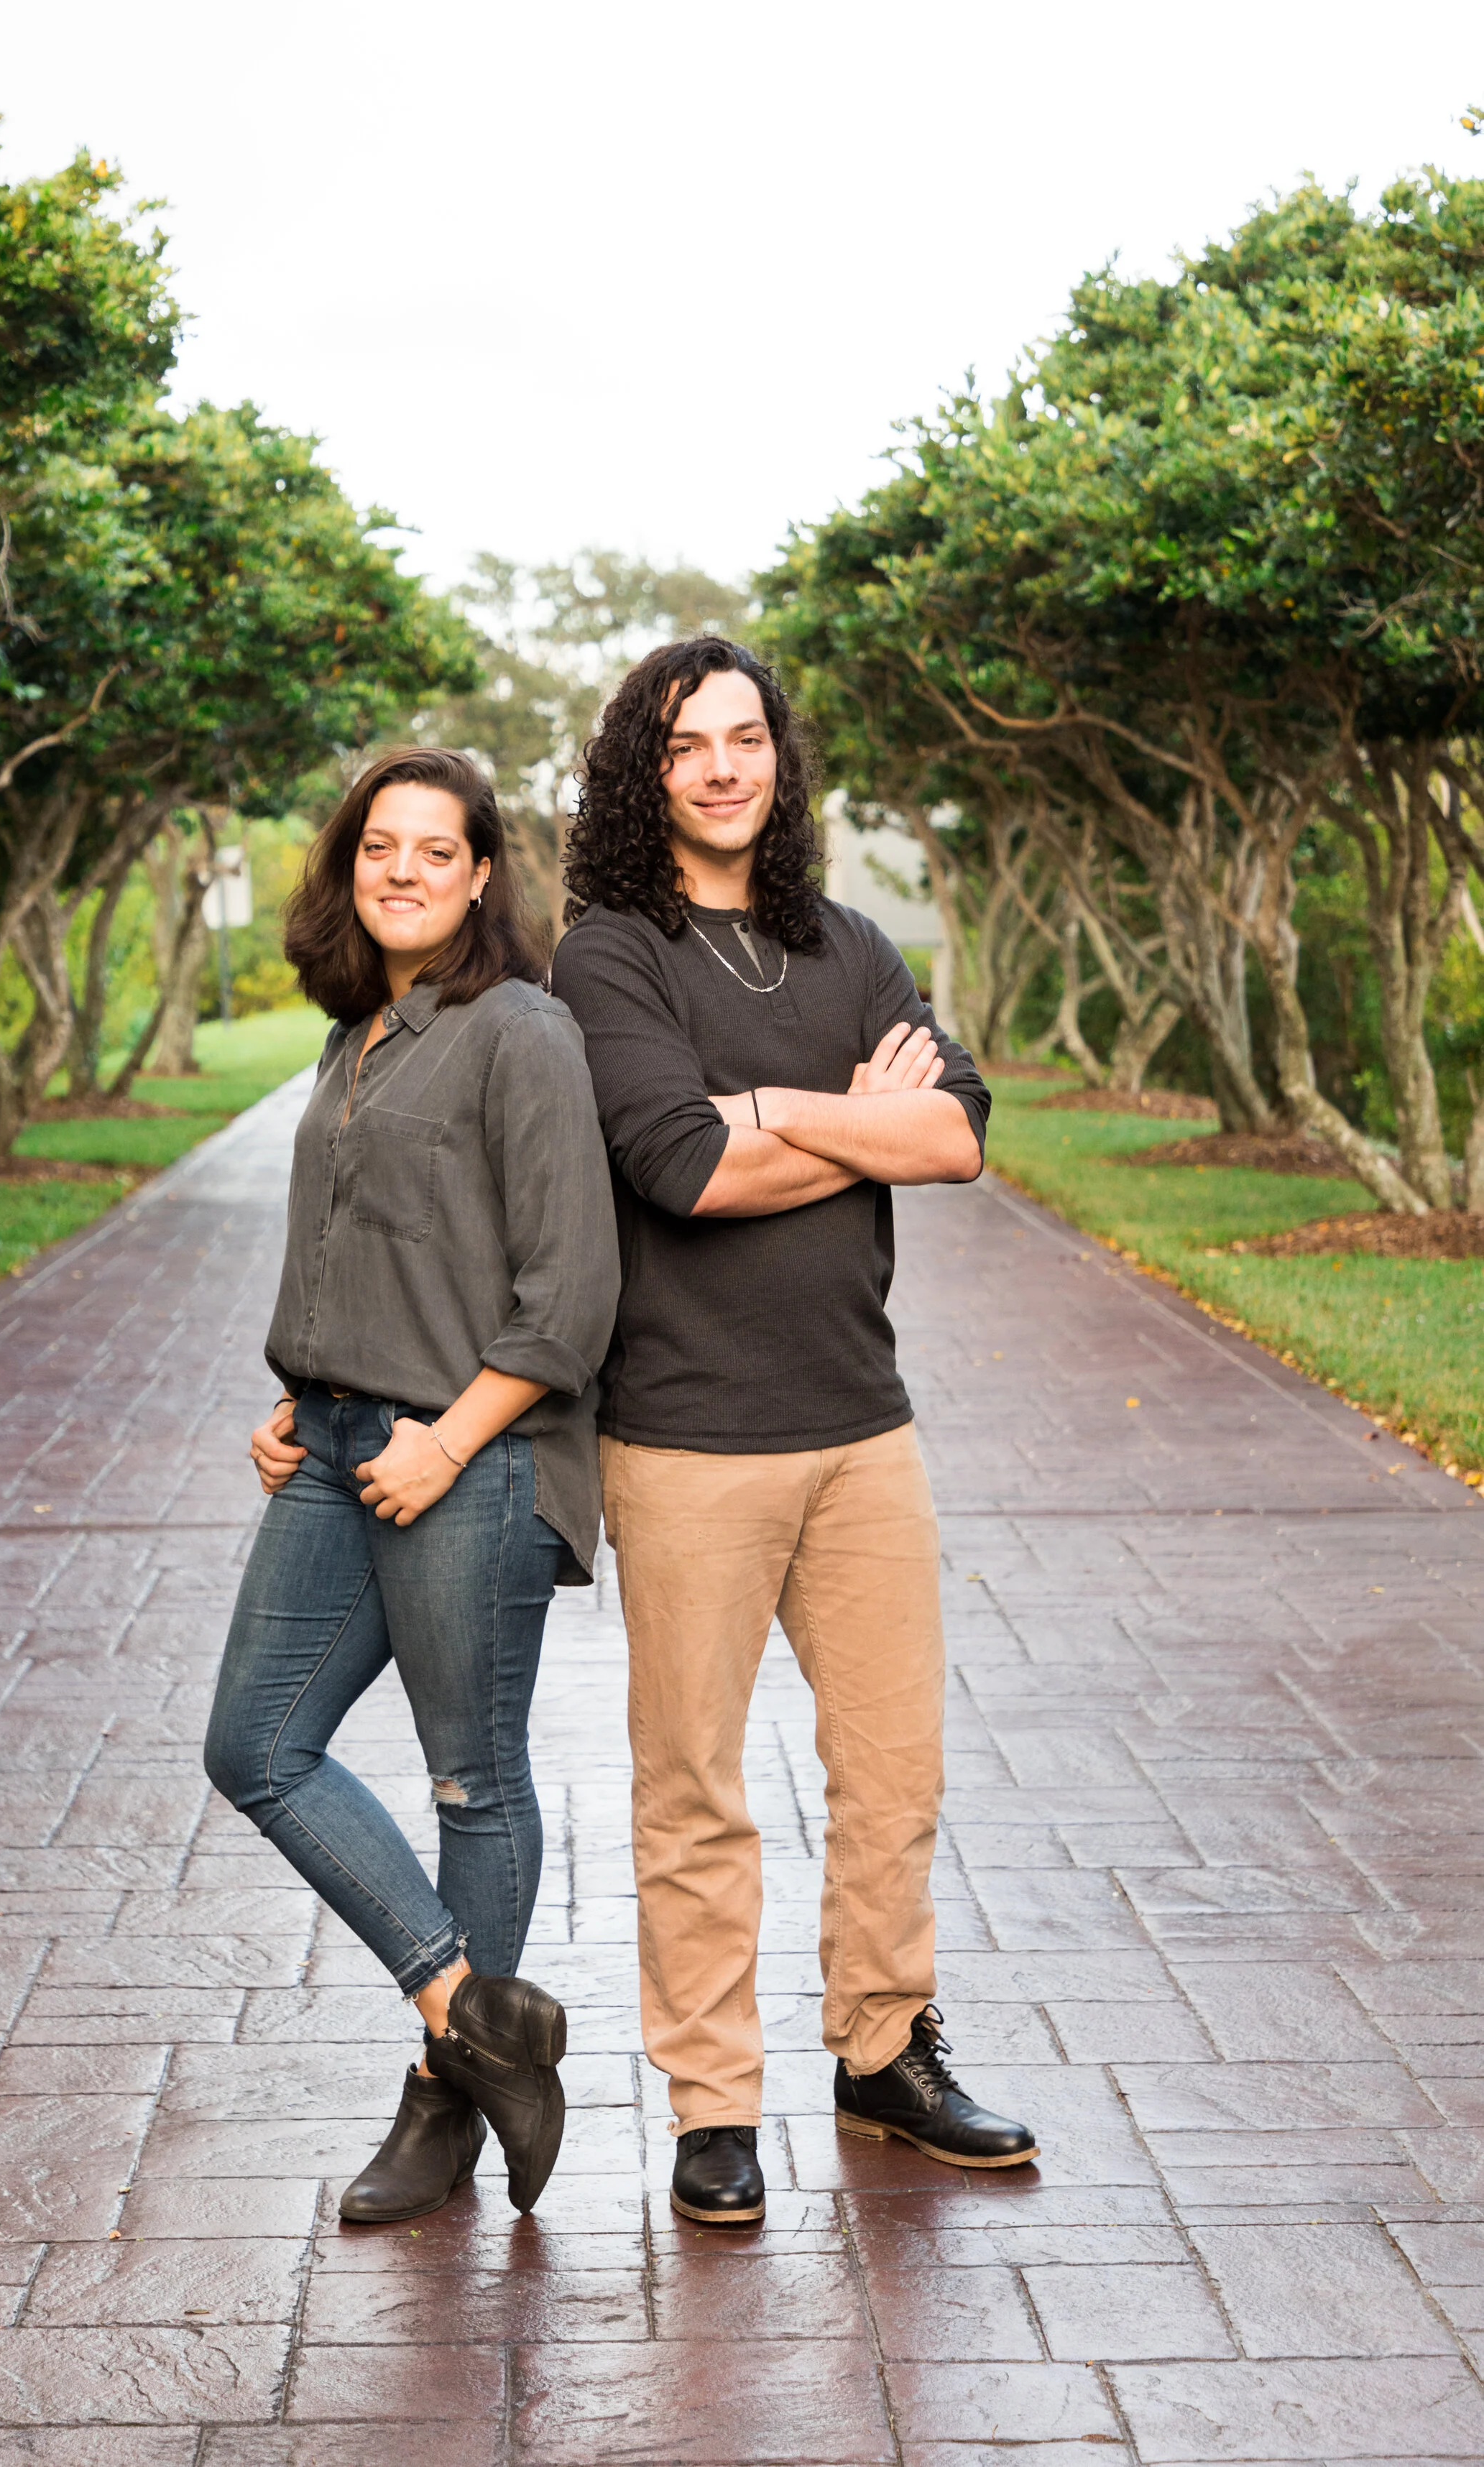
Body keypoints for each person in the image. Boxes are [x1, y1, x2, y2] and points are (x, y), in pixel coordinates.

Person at [550, 637, 1037, 2225]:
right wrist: (843, 1120)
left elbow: (957, 1138)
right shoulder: (607, 956)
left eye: (743, 739)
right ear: (646, 770)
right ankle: (710, 2107)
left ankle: (881, 2054)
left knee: (894, 1772)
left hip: (861, 1429)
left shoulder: (846, 943)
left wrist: (769, 1111)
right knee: (694, 1790)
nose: (719, 767)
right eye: (686, 744)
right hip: (686, 1440)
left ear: (778, 761)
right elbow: (678, 1170)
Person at [203, 748, 619, 2225]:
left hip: (475, 1459)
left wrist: (446, 1440)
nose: (400, 871)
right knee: (253, 1746)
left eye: (433, 852)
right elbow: (365, 1254)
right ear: (348, 864)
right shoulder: (354, 1036)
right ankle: (477, 2016)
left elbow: (570, 1295)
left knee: (469, 1775)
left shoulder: (523, 1032)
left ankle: (438, 2115)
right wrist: (286, 1401)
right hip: (327, 1448)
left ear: (480, 875)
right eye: (379, 846)